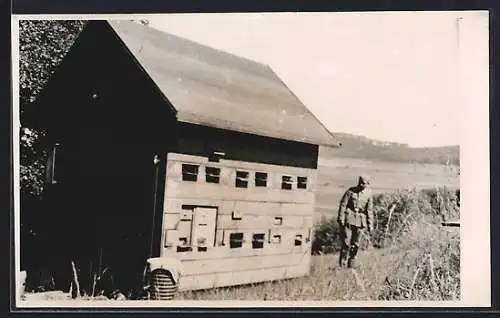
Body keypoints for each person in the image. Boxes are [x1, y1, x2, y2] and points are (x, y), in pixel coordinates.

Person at [337, 175, 374, 268]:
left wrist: (370, 225)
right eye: (360, 182)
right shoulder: (350, 191)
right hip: (348, 219)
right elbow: (343, 204)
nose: (361, 185)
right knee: (346, 242)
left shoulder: (368, 194)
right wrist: (341, 218)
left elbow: (369, 210)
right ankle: (342, 263)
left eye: (364, 183)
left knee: (356, 244)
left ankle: (352, 263)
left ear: (368, 184)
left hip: (361, 221)